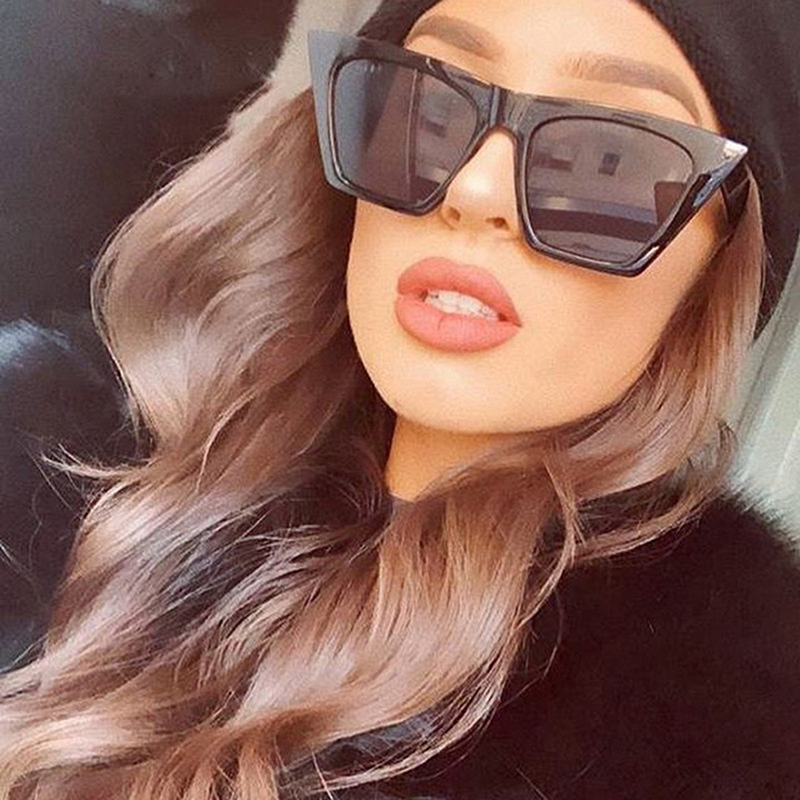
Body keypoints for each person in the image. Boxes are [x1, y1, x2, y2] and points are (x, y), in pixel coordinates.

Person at [0, 0, 798, 797]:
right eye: (431, 106)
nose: (474, 186)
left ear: (715, 272)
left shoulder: (721, 732)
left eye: (609, 161)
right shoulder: (63, 467)